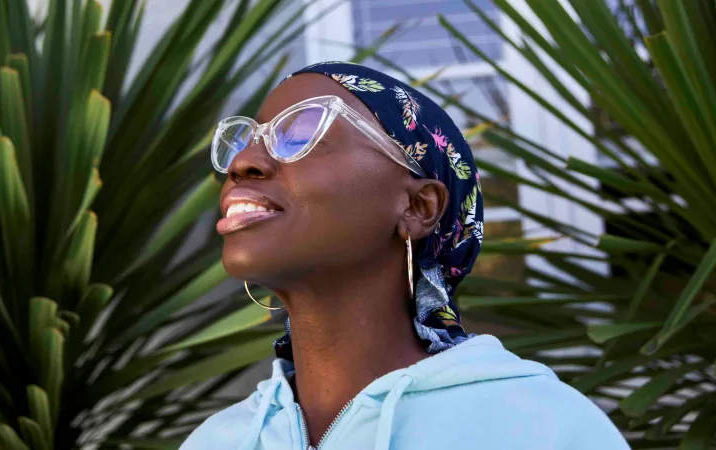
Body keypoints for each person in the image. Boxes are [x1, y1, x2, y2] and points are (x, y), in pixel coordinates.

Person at [180, 62, 629, 450]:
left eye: (301, 131)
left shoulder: (543, 429)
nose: (243, 163)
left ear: (418, 207)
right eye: (246, 140)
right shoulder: (218, 440)